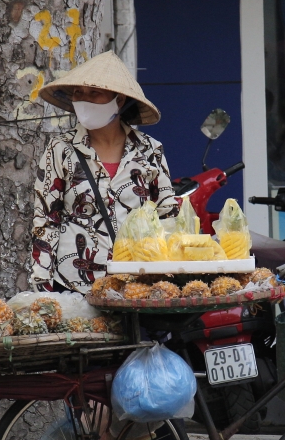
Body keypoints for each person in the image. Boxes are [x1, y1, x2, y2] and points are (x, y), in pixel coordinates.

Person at [31, 51, 178, 293]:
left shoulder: (150, 151)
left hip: (136, 287)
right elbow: (46, 222)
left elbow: (168, 218)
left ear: (118, 100)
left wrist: (166, 282)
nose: (83, 100)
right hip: (74, 287)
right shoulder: (61, 150)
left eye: (94, 93)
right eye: (78, 92)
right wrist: (43, 288)